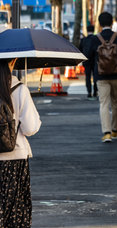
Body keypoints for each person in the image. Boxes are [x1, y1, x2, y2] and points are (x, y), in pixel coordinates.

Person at [0, 58, 41, 227]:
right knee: (15, 212)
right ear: (13, 61)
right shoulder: (19, 89)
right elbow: (31, 128)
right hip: (14, 159)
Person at [87, 12, 117, 143]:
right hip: (116, 75)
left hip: (101, 76)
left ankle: (106, 133)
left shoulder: (95, 39)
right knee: (116, 102)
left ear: (100, 24)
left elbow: (89, 57)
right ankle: (115, 129)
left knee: (104, 103)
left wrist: (91, 74)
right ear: (112, 22)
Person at [79, 24, 98, 100]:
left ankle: (89, 92)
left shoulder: (83, 40)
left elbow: (80, 50)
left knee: (88, 77)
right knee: (95, 76)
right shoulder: (96, 39)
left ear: (87, 31)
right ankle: (95, 91)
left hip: (86, 60)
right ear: (93, 31)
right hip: (95, 60)